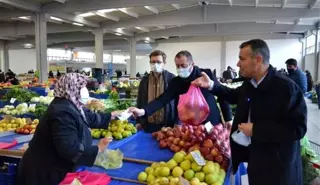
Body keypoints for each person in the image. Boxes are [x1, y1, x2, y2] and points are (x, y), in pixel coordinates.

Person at [192, 39, 307, 185]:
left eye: (242, 59)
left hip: (277, 166)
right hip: (255, 158)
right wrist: (212, 86)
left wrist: (256, 130)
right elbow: (233, 95)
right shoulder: (251, 83)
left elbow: (297, 129)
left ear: (258, 60)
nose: (237, 64)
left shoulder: (287, 89)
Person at [16, 73, 122, 185]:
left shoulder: (68, 104)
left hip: (50, 167)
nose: (84, 90)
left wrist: (111, 116)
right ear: (70, 88)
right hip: (43, 172)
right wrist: (97, 149)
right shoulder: (62, 111)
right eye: (81, 86)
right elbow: (68, 148)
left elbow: (86, 117)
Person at [129, 50, 232, 127]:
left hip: (210, 122)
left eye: (183, 65)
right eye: (177, 66)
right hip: (189, 125)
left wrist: (228, 118)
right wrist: (143, 111)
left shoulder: (206, 74)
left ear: (192, 64)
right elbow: (162, 99)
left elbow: (221, 94)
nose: (180, 69)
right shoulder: (176, 82)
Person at [136, 50, 177, 133]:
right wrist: (139, 121)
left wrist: (177, 122)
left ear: (164, 63)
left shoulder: (171, 79)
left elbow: (177, 103)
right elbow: (140, 101)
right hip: (148, 124)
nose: (155, 64)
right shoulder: (145, 80)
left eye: (158, 62)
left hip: (167, 125)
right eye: (153, 62)